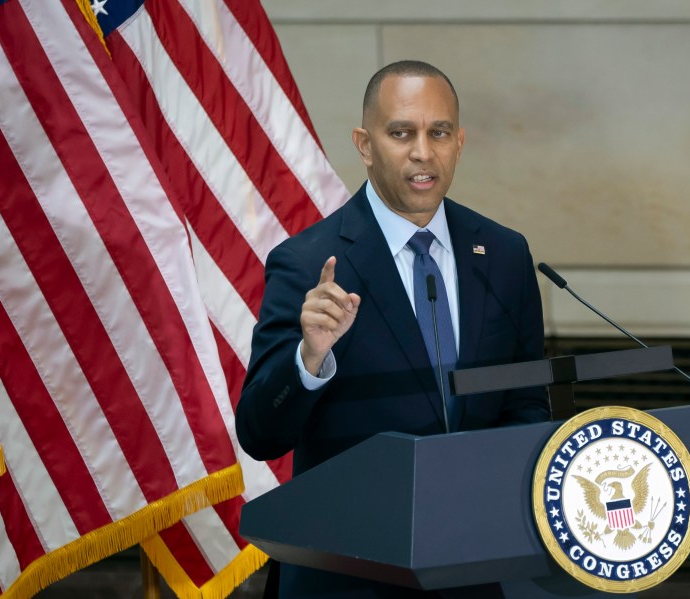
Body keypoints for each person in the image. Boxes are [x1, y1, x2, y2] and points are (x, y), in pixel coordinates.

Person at [236, 60, 550, 599]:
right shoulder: (307, 262)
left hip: (474, 568)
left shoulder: (503, 254)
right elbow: (261, 434)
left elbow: (525, 407)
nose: (423, 152)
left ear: (459, 143)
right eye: (401, 133)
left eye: (439, 133)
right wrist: (309, 361)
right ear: (365, 144)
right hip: (349, 573)